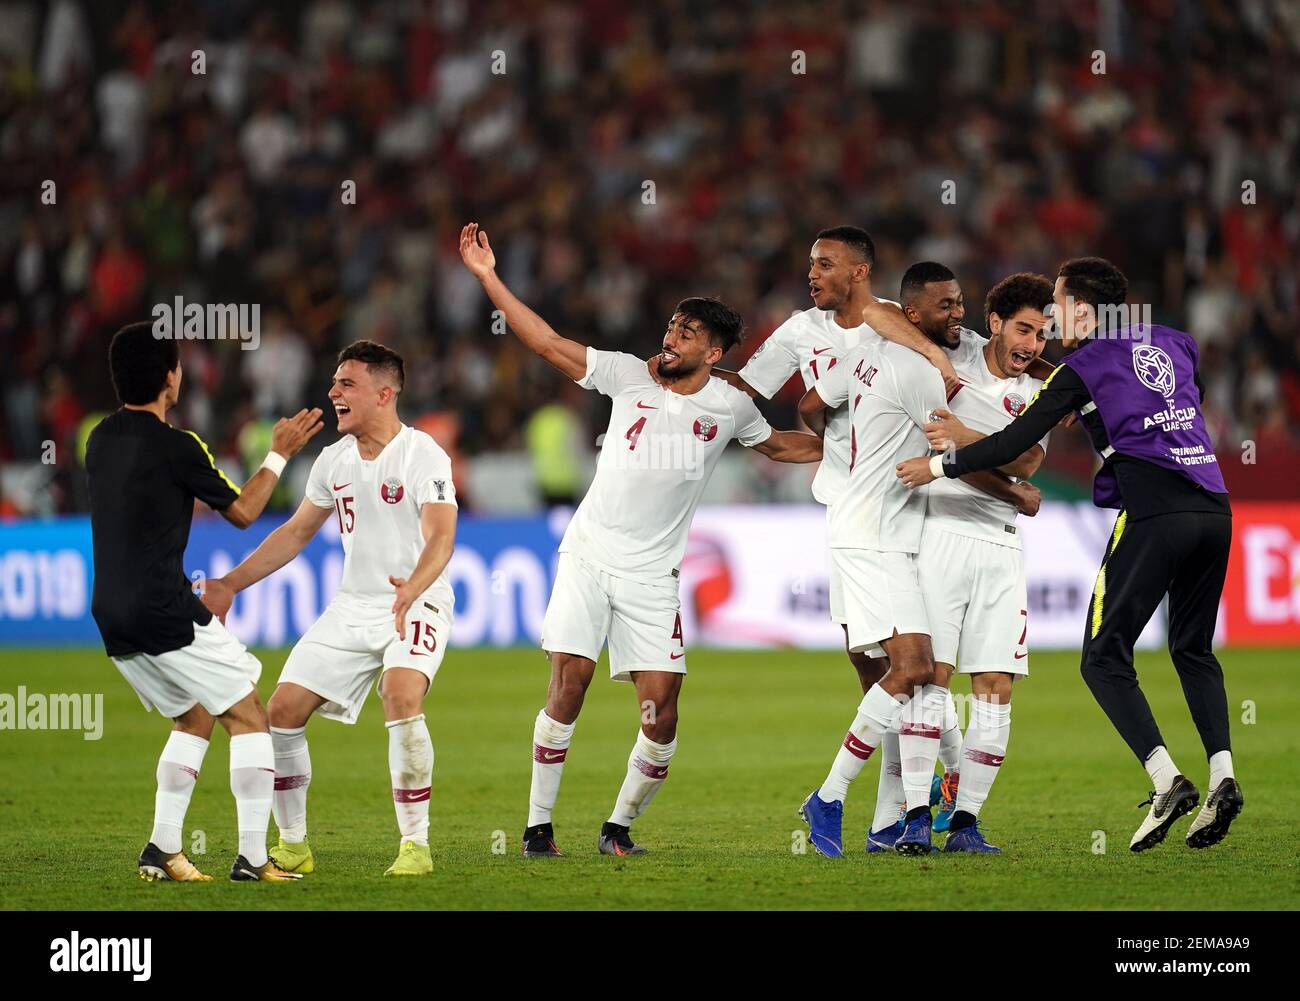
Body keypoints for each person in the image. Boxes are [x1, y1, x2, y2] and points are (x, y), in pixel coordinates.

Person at [459, 222, 822, 858]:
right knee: (569, 684)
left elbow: (783, 447)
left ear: (714, 354)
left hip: (654, 575)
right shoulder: (627, 375)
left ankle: (617, 829)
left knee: (662, 714)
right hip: (590, 555)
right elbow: (545, 342)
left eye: (687, 333)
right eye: (672, 327)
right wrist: (490, 277)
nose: (671, 338)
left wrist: (858, 441)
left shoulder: (731, 406)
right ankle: (537, 828)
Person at [896, 256, 1242, 851]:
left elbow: (1012, 443)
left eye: (1056, 307)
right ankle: (1223, 776)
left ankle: (1166, 780)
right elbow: (1187, 397)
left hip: (1154, 513)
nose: (1053, 322)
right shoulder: (1175, 341)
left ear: (1082, 308)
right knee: (1192, 648)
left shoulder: (1079, 368)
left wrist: (937, 464)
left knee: (1103, 659)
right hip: (1215, 509)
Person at [796, 264, 1035, 857]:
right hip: (897, 534)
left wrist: (839, 456)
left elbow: (811, 403)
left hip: (896, 531)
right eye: (945, 306)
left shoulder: (886, 352)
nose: (957, 313)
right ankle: (851, 802)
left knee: (929, 677)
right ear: (914, 315)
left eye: (961, 304)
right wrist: (1017, 491)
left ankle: (910, 821)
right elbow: (966, 453)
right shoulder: (929, 371)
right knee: (916, 674)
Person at [202, 341, 457, 877]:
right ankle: (293, 844)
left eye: (347, 384)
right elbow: (295, 533)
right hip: (352, 606)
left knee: (402, 693)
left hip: (418, 601)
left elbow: (441, 538)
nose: (332, 393)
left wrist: (413, 587)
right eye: (334, 382)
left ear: (384, 394)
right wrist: (228, 583)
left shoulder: (423, 455)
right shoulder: (333, 461)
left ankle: (416, 845)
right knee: (281, 711)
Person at [86, 321, 321, 882]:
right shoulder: (178, 446)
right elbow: (242, 512)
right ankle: (255, 858)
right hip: (165, 610)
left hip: (112, 616)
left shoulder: (98, 438)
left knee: (193, 717)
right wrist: (278, 455)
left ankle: (163, 850)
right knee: (249, 716)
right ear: (172, 378)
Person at [870, 272, 1054, 853]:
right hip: (941, 531)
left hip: (1001, 545)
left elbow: (1027, 463)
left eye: (1044, 334)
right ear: (993, 323)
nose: (1032, 344)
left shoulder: (1045, 390)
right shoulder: (958, 351)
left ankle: (965, 823)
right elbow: (877, 311)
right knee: (932, 676)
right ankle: (918, 815)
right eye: (1023, 328)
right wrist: (930, 351)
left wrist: (966, 438)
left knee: (995, 686)